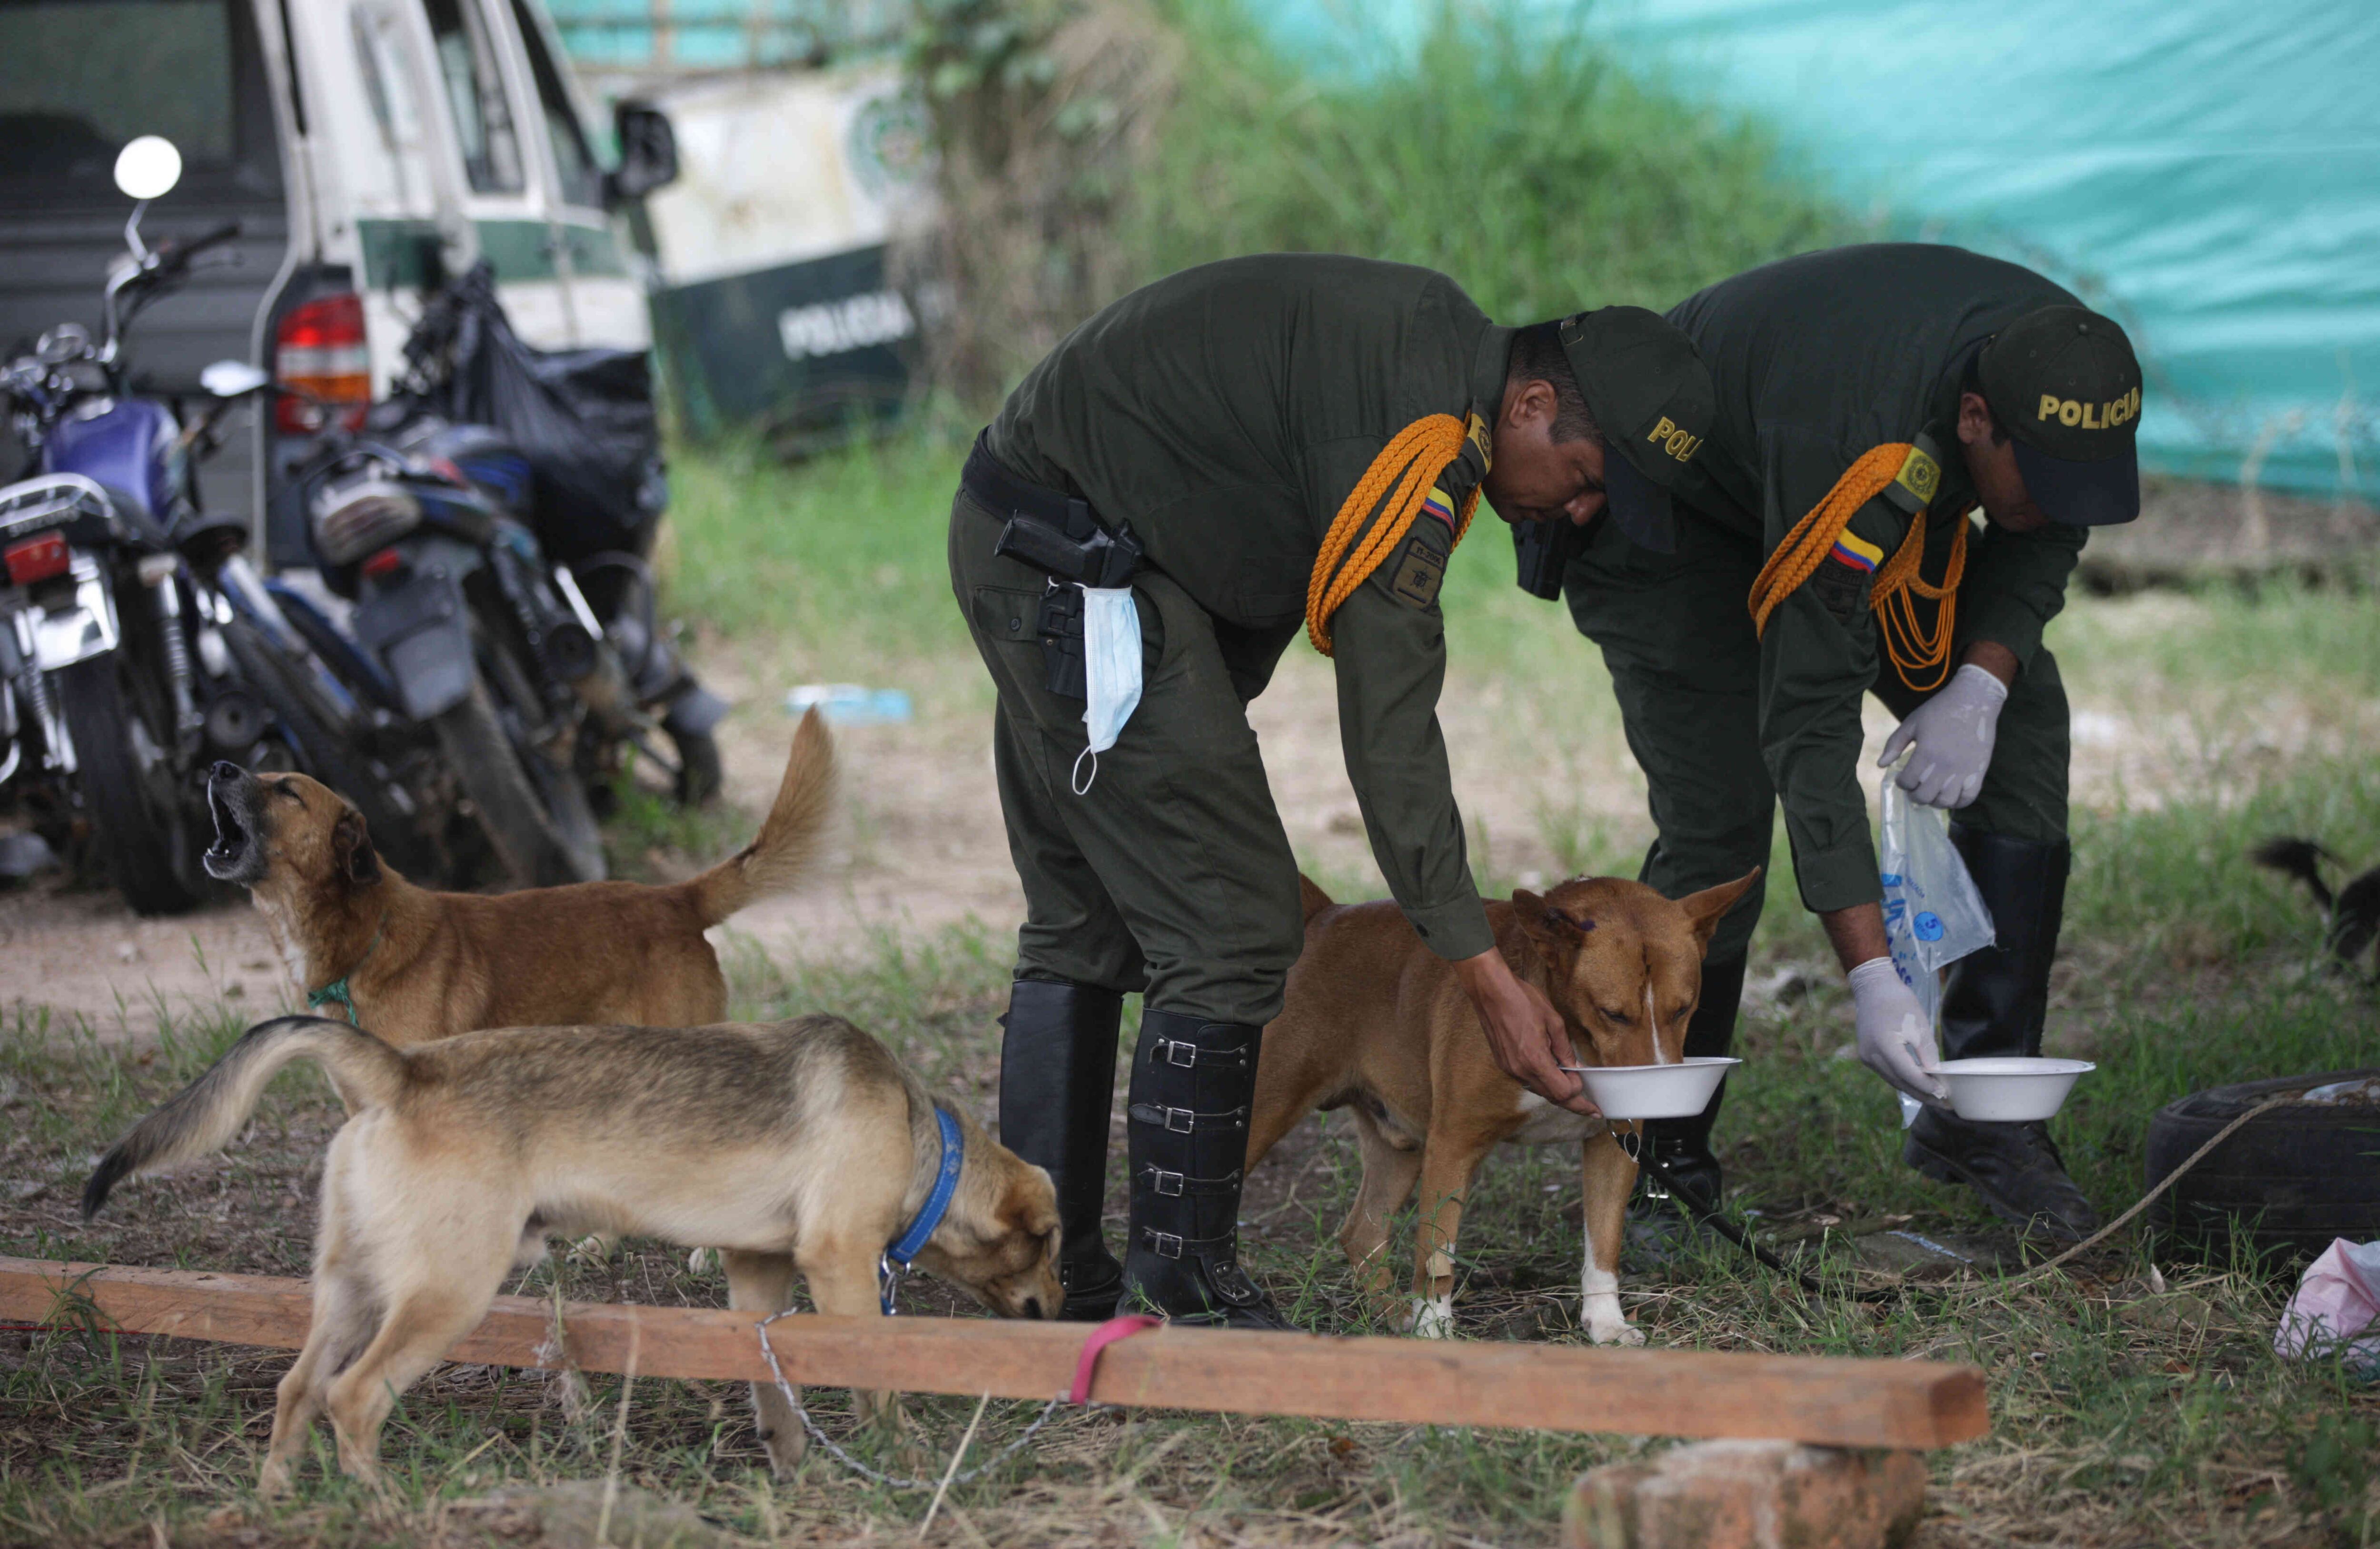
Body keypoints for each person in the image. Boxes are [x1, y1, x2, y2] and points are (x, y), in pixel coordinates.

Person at [950, 254, 1716, 1326]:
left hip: (1048, 545)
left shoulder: (1427, 355)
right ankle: (1178, 1282)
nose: (1581, 510)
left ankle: (1038, 1269)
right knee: (1239, 922)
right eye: (1588, 475)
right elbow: (1391, 733)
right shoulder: (1420, 441)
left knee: (1086, 923)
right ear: (1531, 404)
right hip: (1077, 575)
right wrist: (1489, 978)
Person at [1558, 242, 2143, 1241]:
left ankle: (1984, 1112)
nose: (2057, 500)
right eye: (2036, 476)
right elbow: (1808, 716)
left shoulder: (2069, 369)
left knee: (2025, 723)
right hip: (1672, 522)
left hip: (1839, 488)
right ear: (1973, 422)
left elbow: (2045, 529)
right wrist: (1870, 977)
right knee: (1721, 820)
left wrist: (1980, 684)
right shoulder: (1860, 439)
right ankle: (1661, 1158)